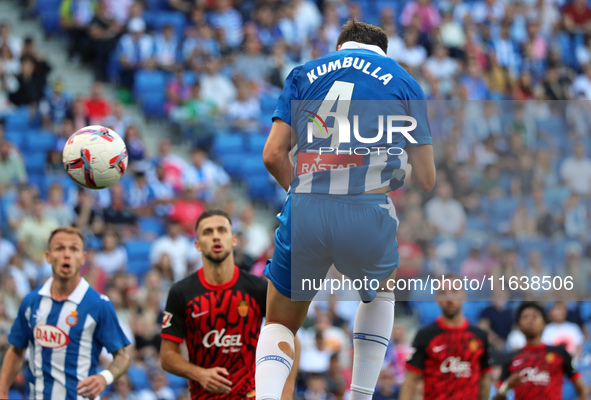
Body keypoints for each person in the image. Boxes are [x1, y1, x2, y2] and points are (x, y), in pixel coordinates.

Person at [256, 20, 435, 400]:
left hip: (306, 208)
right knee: (381, 292)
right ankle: (359, 395)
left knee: (280, 323)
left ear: (341, 46)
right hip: (365, 209)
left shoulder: (304, 73)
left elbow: (272, 155)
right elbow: (428, 176)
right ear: (383, 51)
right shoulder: (404, 82)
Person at [160, 210, 298, 399]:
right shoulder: (181, 293)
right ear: (197, 244)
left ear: (233, 240)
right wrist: (199, 373)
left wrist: (287, 391)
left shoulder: (258, 288)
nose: (216, 236)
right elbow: (167, 356)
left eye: (222, 230)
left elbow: (289, 336)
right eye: (208, 232)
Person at [0, 226, 131, 399]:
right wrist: (2, 392)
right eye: (60, 248)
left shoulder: (99, 305)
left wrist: (103, 378)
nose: (66, 254)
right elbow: (16, 350)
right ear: (48, 256)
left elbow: (122, 357)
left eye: (74, 249)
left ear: (83, 258)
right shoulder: (31, 302)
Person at [399, 278, 491, 400]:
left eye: (454, 291)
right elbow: (410, 380)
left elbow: (484, 379)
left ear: (464, 295)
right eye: (443, 292)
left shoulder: (480, 336)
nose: (449, 297)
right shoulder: (425, 335)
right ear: (437, 299)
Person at [494, 302, 587, 400]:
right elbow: (498, 397)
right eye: (525, 317)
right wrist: (507, 386)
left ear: (544, 324)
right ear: (519, 325)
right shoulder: (511, 358)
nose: (530, 321)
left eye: (534, 317)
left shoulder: (560, 354)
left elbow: (581, 389)